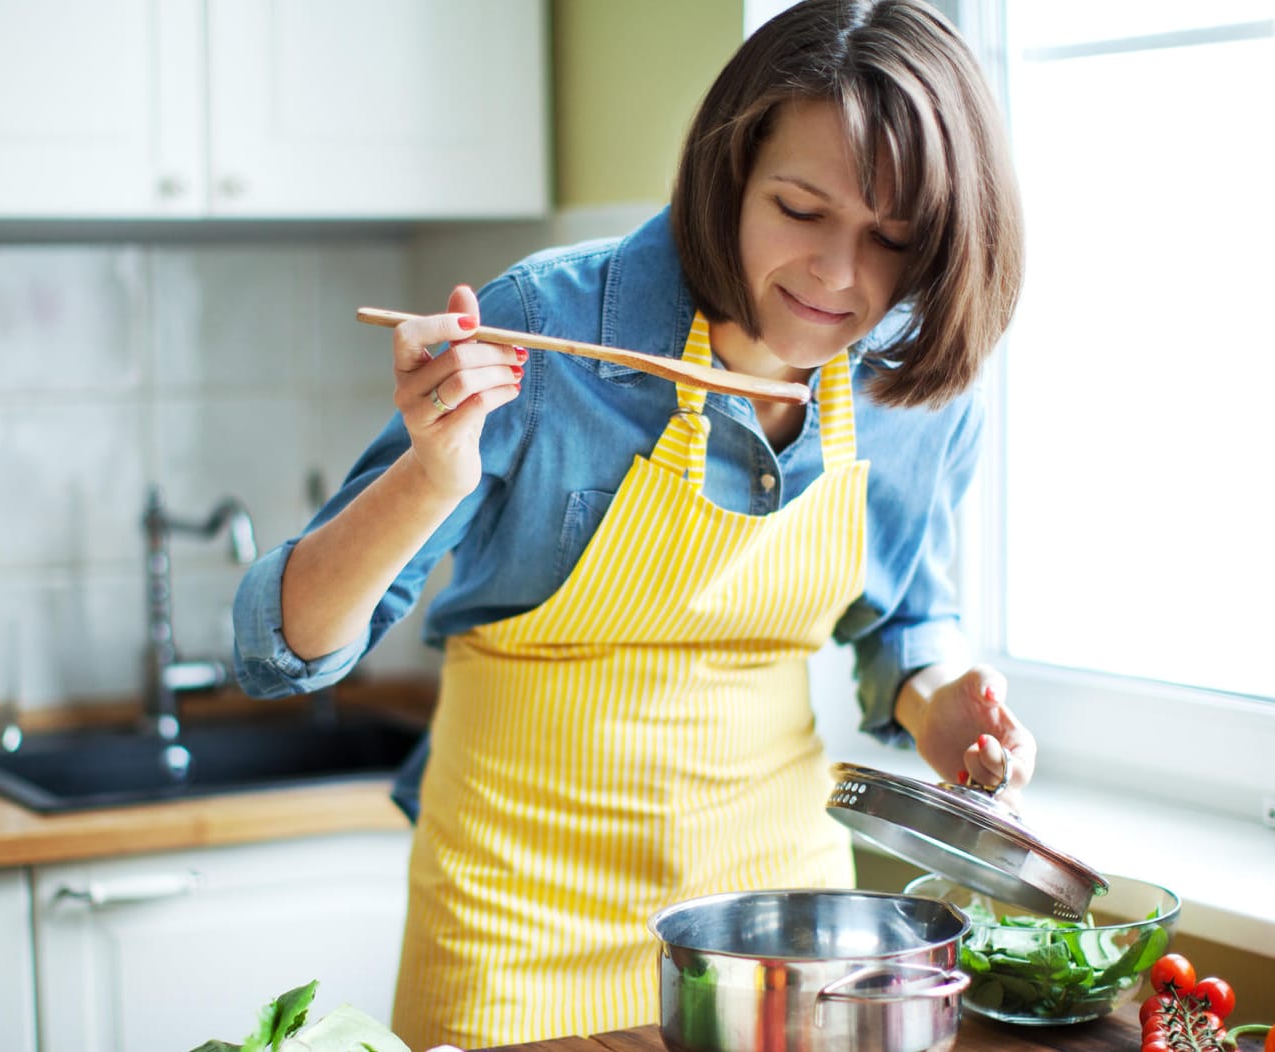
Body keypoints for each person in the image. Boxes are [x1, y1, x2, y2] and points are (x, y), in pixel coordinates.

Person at [232, 0, 1034, 1045]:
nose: (840, 274)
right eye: (799, 207)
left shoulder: (909, 390)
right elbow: (276, 645)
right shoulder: (553, 329)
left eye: (891, 239)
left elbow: (900, 624)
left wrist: (944, 706)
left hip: (778, 930)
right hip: (513, 918)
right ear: (733, 171)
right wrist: (432, 472)